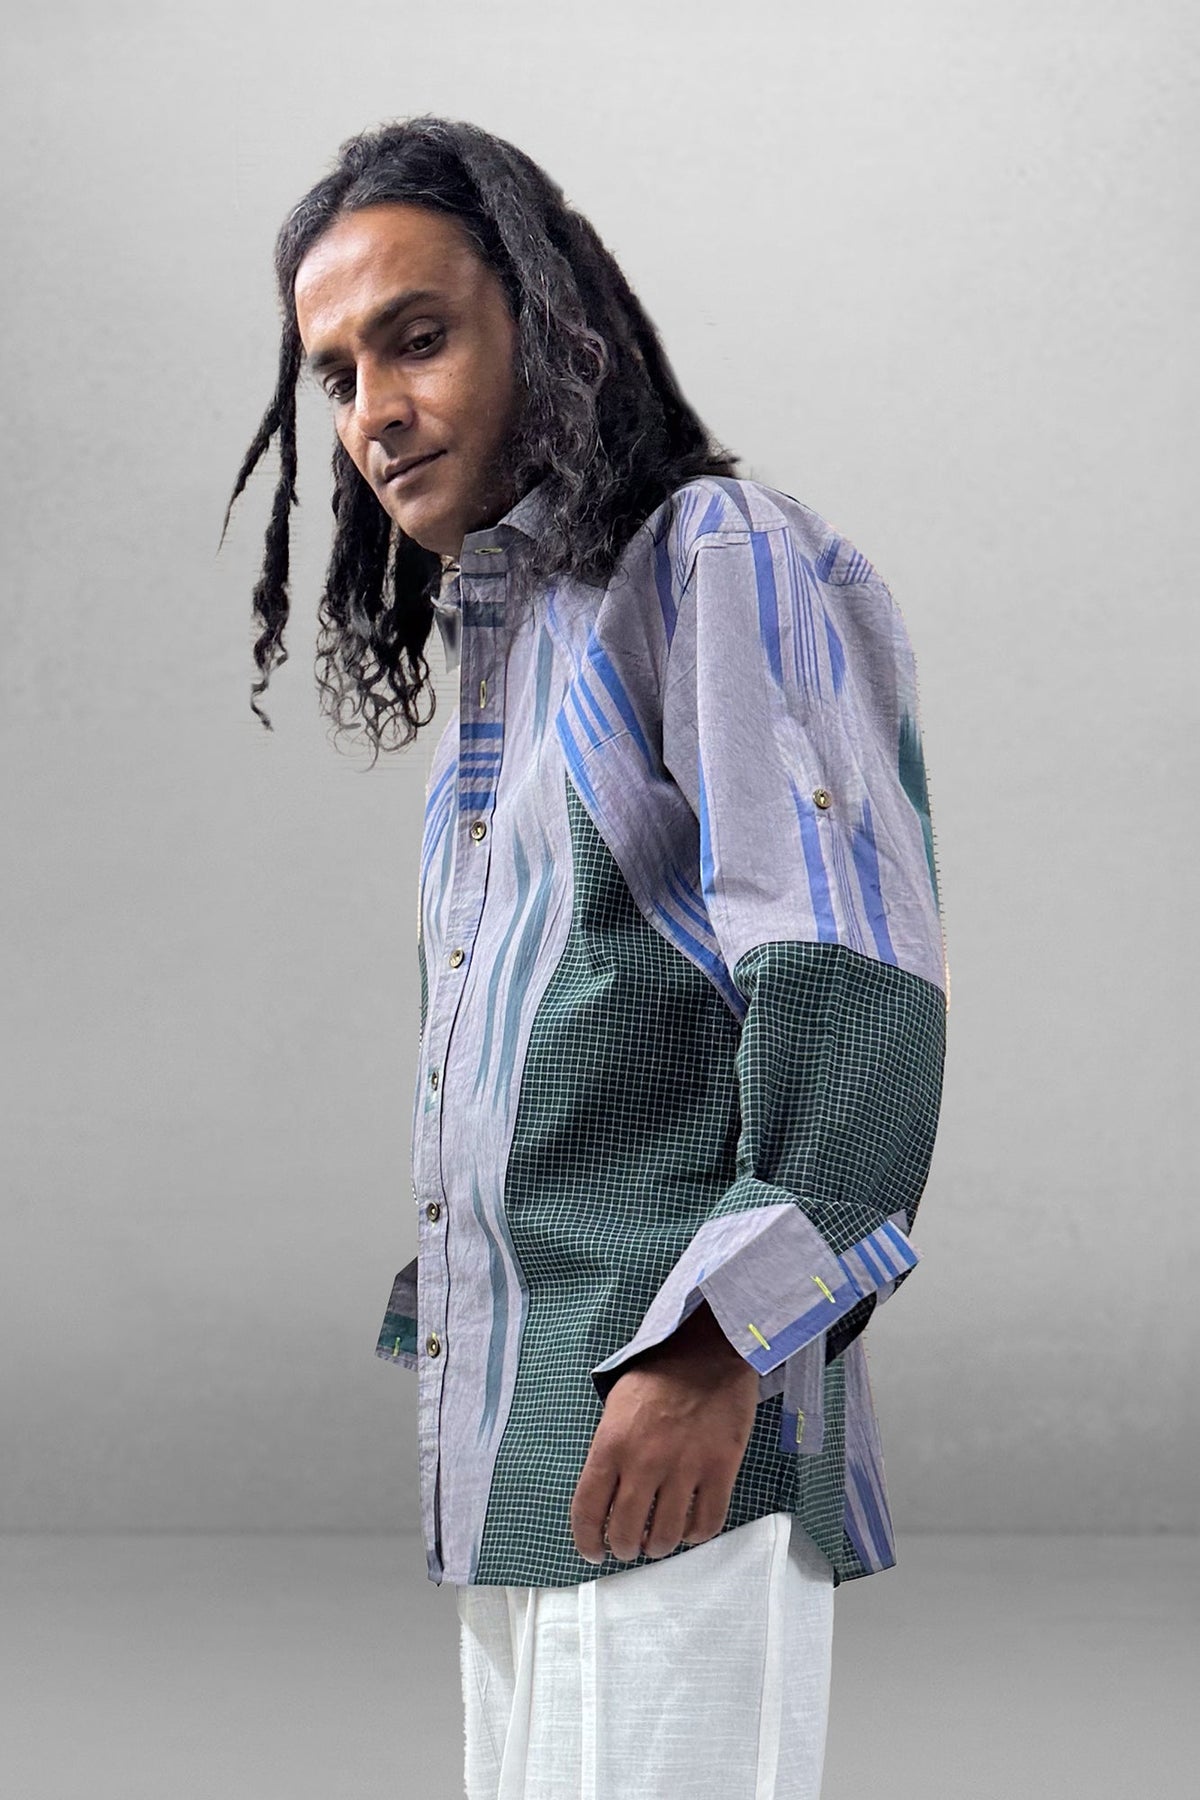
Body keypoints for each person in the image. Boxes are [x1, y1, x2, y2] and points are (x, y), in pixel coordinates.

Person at [226, 115, 948, 1800]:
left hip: (676, 1407)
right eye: (338, 374)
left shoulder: (715, 559)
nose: (372, 410)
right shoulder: (514, 651)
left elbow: (855, 988)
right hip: (525, 1427)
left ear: (554, 328)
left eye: (417, 337)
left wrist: (713, 1353)